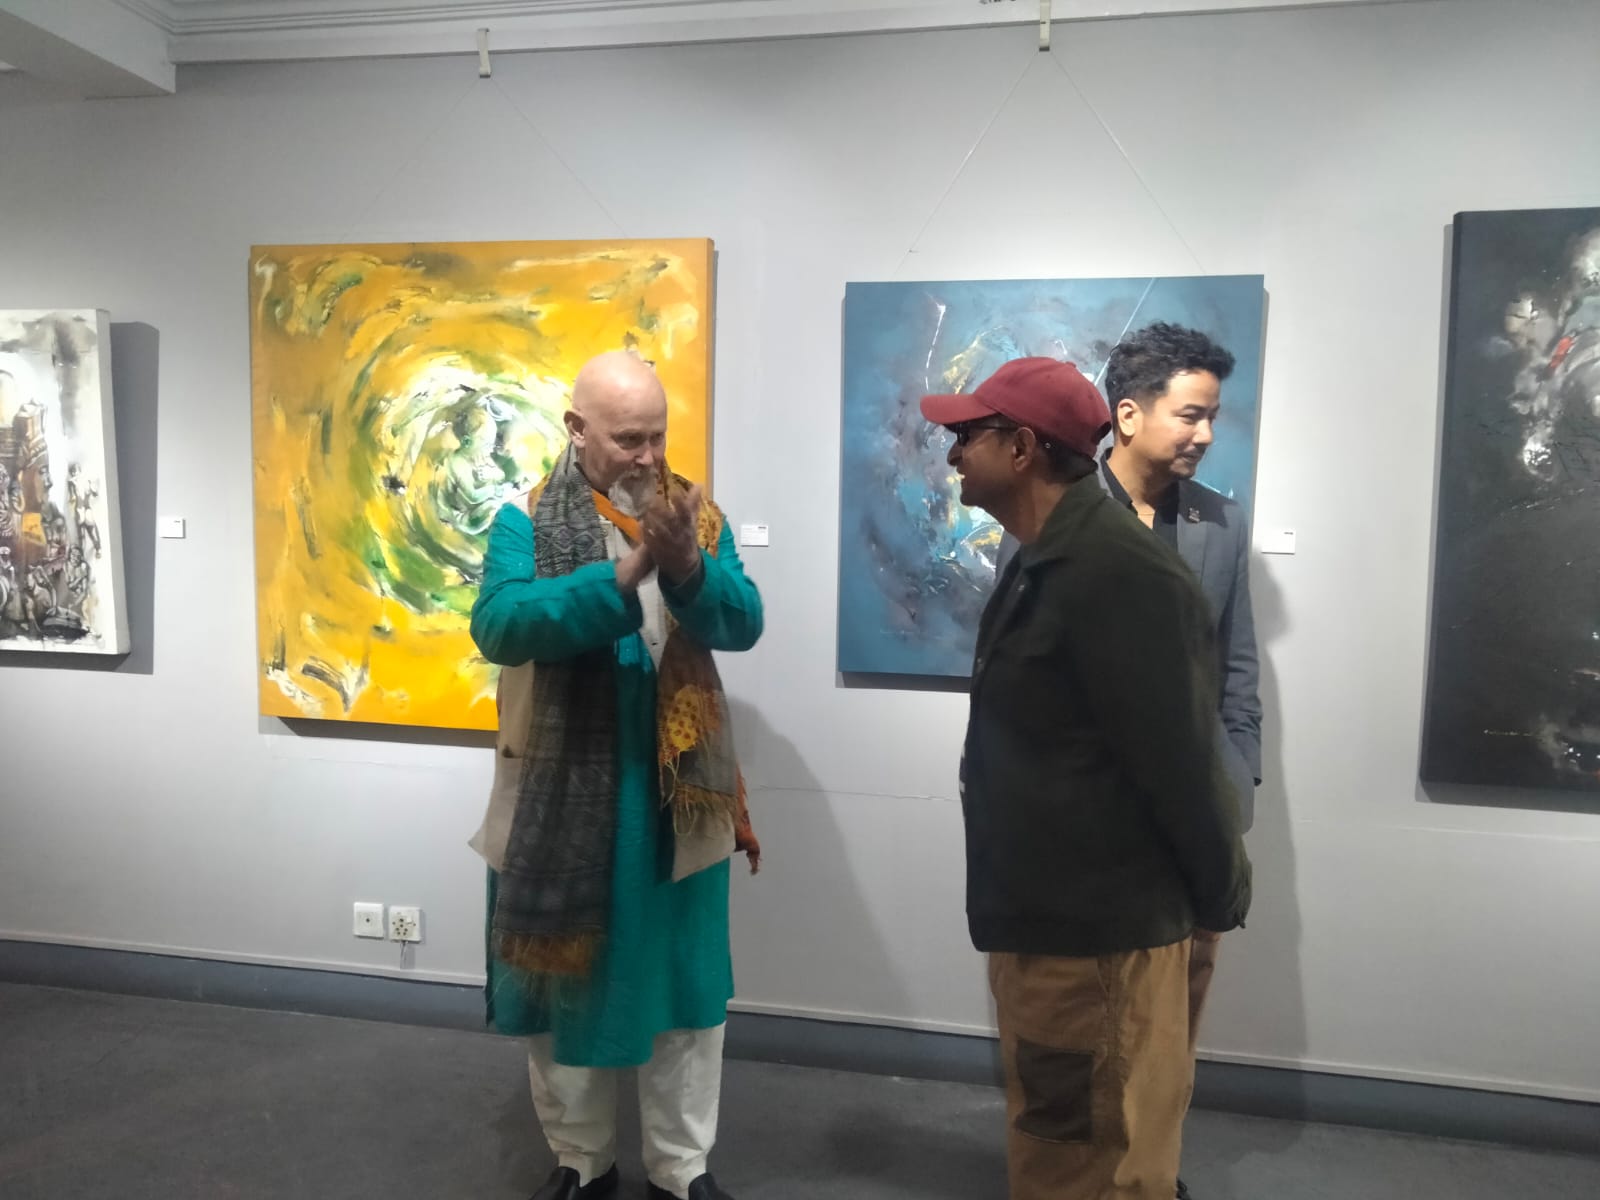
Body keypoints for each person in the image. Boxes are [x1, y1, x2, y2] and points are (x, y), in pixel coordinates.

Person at [922, 356, 1251, 1200]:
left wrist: (1220, 896)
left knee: (1084, 1162)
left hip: (1094, 943)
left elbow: (1181, 765)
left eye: (968, 433)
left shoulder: (1117, 575)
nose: (953, 451)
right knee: (1069, 1146)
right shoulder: (1048, 559)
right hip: (1056, 924)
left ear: (1022, 448)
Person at [468, 350, 764, 1200]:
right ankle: (581, 1158)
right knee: (564, 985)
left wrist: (688, 567)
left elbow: (743, 621)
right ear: (576, 429)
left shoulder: (696, 518)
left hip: (678, 795)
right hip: (557, 799)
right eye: (629, 438)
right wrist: (625, 575)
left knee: (684, 990)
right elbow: (500, 625)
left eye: (657, 435)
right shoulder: (524, 519)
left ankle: (682, 1166)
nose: (648, 455)